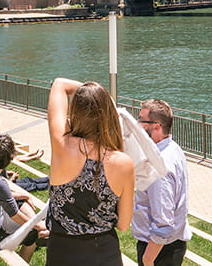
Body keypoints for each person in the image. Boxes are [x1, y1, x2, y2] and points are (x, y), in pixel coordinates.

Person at [46, 78, 135, 265]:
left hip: (61, 252)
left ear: (75, 111)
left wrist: (95, 95)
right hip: (104, 253)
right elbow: (123, 225)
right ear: (108, 114)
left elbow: (59, 84)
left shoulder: (62, 145)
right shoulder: (123, 162)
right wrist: (103, 97)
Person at [132, 99, 191, 266]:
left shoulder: (159, 168)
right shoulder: (173, 148)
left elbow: (163, 224)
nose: (137, 125)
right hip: (168, 247)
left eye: (141, 120)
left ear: (156, 126)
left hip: (158, 251)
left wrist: (147, 259)